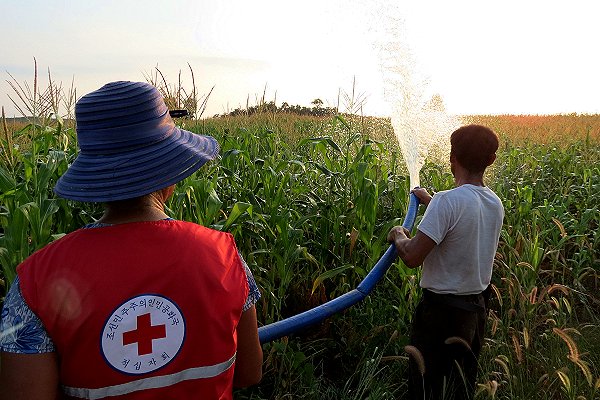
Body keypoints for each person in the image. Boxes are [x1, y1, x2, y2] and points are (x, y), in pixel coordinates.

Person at [0, 81, 263, 399]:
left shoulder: (36, 281)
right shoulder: (224, 256)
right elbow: (249, 371)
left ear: (95, 178)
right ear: (169, 176)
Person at [387, 125, 504, 400]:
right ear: (491, 160)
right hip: (474, 315)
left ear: (452, 158)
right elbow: (462, 222)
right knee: (459, 390)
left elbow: (413, 257)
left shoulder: (447, 202)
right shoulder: (493, 202)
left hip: (441, 318)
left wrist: (398, 236)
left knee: (426, 391)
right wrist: (430, 201)